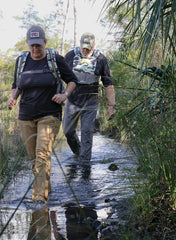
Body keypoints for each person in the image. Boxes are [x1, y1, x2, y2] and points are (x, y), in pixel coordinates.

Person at [7, 25, 77, 205]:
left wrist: (64, 95)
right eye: (32, 45)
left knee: (42, 156)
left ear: (45, 42)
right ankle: (47, 190)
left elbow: (72, 81)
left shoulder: (55, 59)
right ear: (27, 44)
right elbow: (17, 85)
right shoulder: (21, 61)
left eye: (38, 45)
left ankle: (38, 201)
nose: (35, 49)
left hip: (50, 114)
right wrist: (13, 97)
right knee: (34, 160)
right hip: (26, 116)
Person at [63, 32, 115, 163]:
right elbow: (60, 75)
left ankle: (85, 163)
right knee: (68, 132)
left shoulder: (101, 59)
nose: (85, 50)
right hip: (72, 101)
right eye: (83, 46)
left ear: (94, 45)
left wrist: (112, 105)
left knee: (87, 133)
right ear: (80, 44)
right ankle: (78, 152)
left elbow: (108, 84)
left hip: (90, 102)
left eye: (88, 47)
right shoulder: (70, 56)